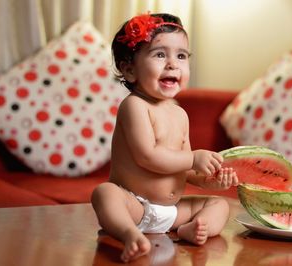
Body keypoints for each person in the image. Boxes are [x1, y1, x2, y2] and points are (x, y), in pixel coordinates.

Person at [91, 13, 238, 262]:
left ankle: (195, 228)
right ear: (129, 70)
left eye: (181, 55)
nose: (173, 64)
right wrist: (193, 158)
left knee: (220, 205)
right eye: (160, 54)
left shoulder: (180, 114)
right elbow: (148, 156)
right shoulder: (134, 106)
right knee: (104, 194)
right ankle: (129, 234)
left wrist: (208, 181)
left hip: (172, 213)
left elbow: (185, 169)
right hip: (134, 206)